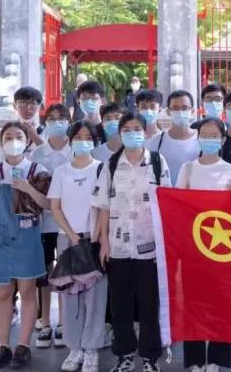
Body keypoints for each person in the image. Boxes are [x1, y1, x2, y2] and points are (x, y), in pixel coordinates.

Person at [93, 111, 170, 372]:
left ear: (145, 132)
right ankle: (124, 355)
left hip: (150, 246)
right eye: (126, 129)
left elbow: (167, 203)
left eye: (137, 129)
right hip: (118, 247)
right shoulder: (111, 164)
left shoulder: (157, 162)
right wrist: (104, 243)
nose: (132, 133)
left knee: (149, 305)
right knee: (120, 305)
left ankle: (150, 357)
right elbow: (103, 206)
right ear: (120, 133)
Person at [0, 122, 51, 370]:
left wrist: (28, 188)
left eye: (18, 136)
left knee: (28, 292)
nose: (13, 141)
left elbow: (48, 205)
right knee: (3, 294)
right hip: (0, 239)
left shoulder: (37, 170)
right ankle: (2, 346)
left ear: (27, 141)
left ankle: (23, 346)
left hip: (28, 238)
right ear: (1, 143)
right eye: (7, 137)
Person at [175, 117, 231, 372]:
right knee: (193, 302)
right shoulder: (188, 168)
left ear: (222, 140)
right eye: (205, 134)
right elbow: (177, 204)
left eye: (214, 136)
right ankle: (195, 360)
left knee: (221, 302)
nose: (209, 139)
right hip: (193, 246)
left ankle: (216, 359)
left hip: (223, 247)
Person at [48, 121, 107, 372]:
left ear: (95, 141)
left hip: (94, 240)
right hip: (67, 240)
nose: (83, 141)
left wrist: (98, 236)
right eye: (78, 137)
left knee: (96, 298)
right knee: (70, 295)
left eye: (88, 137)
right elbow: (55, 206)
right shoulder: (61, 171)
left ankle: (92, 349)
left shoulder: (102, 169)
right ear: (70, 140)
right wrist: (71, 235)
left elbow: (104, 207)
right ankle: (74, 348)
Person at [30, 104, 74, 349]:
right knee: (45, 272)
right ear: (46, 122)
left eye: (62, 118)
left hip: (71, 223)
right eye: (53, 118)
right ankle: (45, 321)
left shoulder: (77, 149)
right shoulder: (37, 153)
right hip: (45, 222)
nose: (58, 122)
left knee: (67, 271)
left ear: (69, 120)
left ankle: (65, 324)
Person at [0, 86, 45, 169]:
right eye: (23, 102)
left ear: (39, 107)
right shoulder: (1, 134)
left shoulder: (47, 134)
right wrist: (4, 174)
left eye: (33, 103)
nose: (28, 107)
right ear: (15, 105)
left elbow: (55, 163)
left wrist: (36, 138)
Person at [146, 90, 200, 184]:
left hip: (195, 192)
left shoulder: (202, 140)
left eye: (185, 108)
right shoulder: (157, 141)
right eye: (175, 108)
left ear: (192, 111)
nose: (180, 112)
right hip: (166, 192)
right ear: (168, 111)